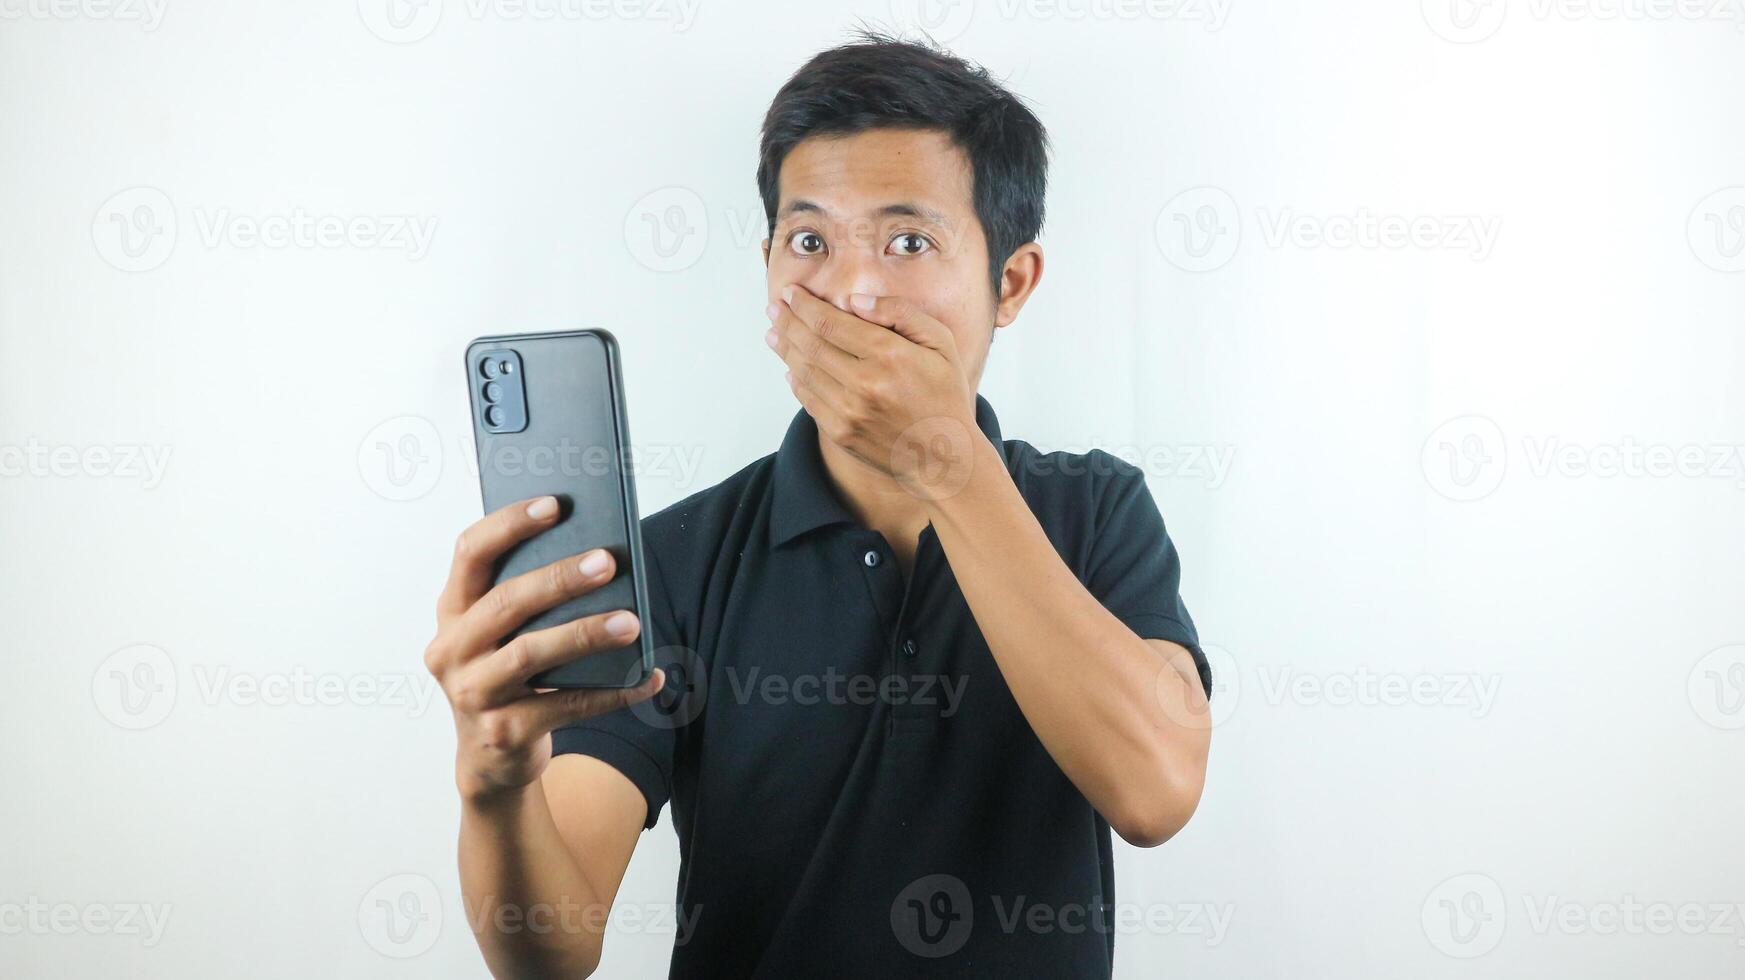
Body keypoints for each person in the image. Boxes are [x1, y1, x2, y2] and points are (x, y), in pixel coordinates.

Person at [422, 30, 1213, 979]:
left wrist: (945, 463)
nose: (851, 289)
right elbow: (548, 953)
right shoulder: (676, 557)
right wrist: (494, 785)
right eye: (809, 241)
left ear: (1010, 283)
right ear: (767, 266)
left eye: (908, 241)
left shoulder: (1094, 509)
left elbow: (1157, 791)